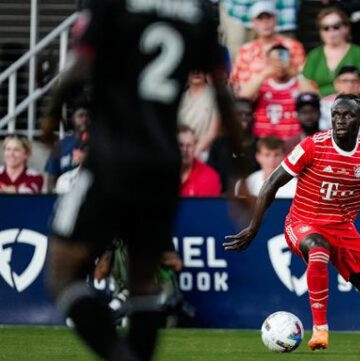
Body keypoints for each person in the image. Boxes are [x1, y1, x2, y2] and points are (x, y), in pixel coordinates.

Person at [41, 1, 242, 360]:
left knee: (62, 274)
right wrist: (240, 169)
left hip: (112, 156)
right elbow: (223, 93)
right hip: (163, 165)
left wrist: (50, 116)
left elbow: (80, 66)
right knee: (143, 283)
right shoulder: (199, 13)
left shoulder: (115, 5)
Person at [224, 94, 360, 355]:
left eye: (347, 115)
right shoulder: (312, 146)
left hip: (343, 228)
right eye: (336, 114)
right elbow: (271, 183)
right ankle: (320, 327)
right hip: (303, 221)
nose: (340, 120)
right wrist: (254, 227)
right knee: (318, 247)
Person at [229, 1, 305, 95]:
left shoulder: (293, 46)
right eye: (260, 19)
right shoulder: (245, 50)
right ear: (253, 23)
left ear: (276, 20)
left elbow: (302, 77)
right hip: (253, 100)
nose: (265, 23)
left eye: (269, 17)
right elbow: (235, 82)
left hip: (285, 96)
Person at [239, 44, 302, 149]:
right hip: (265, 147)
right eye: (275, 60)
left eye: (283, 59)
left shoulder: (300, 84)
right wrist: (264, 73)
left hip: (293, 146)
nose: (280, 64)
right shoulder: (261, 85)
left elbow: (315, 99)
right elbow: (242, 98)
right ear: (268, 62)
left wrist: (298, 75)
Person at [302, 7, 360, 97]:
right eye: (325, 28)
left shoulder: (359, 53)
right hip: (320, 105)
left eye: (336, 26)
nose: (331, 31)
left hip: (351, 104)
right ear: (320, 32)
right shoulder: (314, 55)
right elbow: (305, 84)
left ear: (346, 28)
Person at [207, 98, 260, 195]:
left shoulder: (260, 145)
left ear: (253, 117)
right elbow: (210, 175)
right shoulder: (218, 144)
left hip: (254, 200)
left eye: (247, 114)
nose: (243, 117)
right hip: (221, 199)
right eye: (239, 114)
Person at [319, 65, 360, 135]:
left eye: (354, 81)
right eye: (345, 81)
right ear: (336, 84)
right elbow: (325, 130)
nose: (350, 85)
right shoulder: (325, 103)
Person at [44, 97, 89, 192]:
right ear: (72, 118)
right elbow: (51, 181)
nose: (85, 119)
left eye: (88, 116)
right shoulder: (61, 145)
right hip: (65, 192)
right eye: (81, 116)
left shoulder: (100, 144)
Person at [178, 70, 219, 157]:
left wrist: (195, 151)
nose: (196, 72)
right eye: (193, 68)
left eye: (200, 68)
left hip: (205, 152)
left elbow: (213, 131)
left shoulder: (215, 96)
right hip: (181, 152)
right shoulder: (180, 98)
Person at [179, 125, 222, 197]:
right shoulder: (162, 174)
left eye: (189, 145)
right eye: (181, 145)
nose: (185, 150)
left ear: (195, 146)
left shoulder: (209, 177)